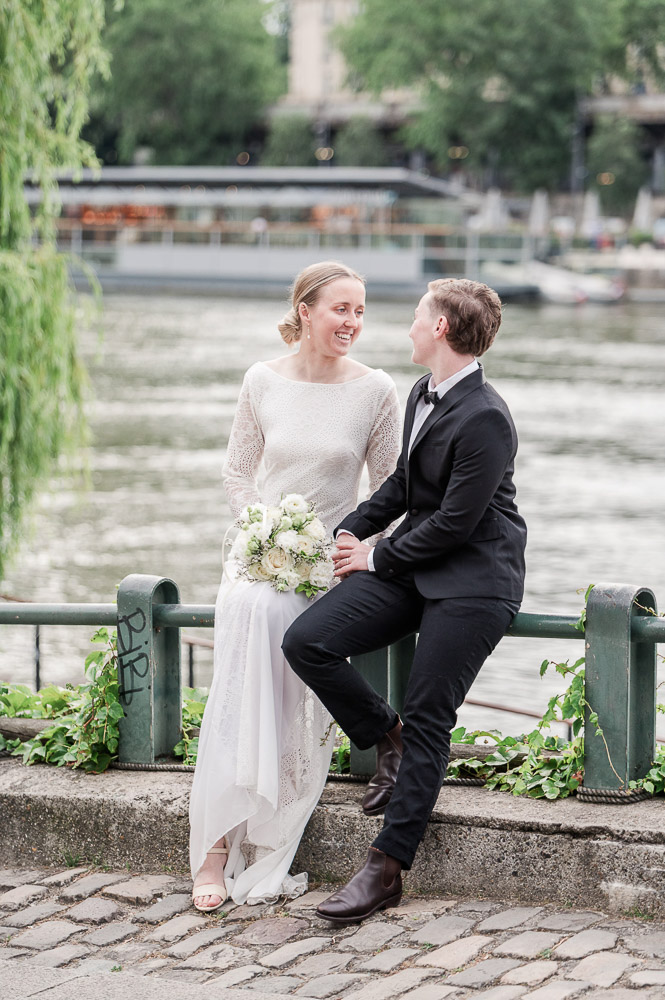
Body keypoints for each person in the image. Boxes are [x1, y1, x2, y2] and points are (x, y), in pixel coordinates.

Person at [283, 278, 527, 924]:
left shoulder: (486, 416)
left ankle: (385, 868)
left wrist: (377, 556)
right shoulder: (422, 391)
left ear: (441, 328)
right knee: (307, 641)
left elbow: (456, 521)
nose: (409, 324)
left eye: (419, 315)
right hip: (414, 566)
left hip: (474, 579)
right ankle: (380, 734)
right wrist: (354, 528)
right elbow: (402, 485)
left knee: (429, 713)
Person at [189, 261, 401, 910]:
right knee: (255, 608)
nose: (352, 323)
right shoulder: (261, 380)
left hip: (329, 566)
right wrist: (261, 532)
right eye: (340, 309)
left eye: (360, 311)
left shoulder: (376, 390)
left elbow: (391, 489)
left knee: (277, 621)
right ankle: (217, 847)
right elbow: (236, 473)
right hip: (259, 557)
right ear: (304, 310)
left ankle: (261, 835)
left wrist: (358, 550)